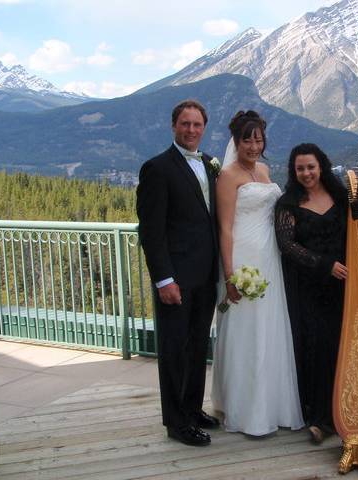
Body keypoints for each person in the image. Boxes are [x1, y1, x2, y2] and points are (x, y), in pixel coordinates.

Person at [211, 110, 304, 436]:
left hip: (270, 258)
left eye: (258, 139)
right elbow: (224, 228)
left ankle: (271, 405)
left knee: (270, 329)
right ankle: (244, 410)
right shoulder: (228, 176)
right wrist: (230, 272)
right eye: (247, 139)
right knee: (245, 333)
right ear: (236, 142)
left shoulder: (264, 170)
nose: (253, 145)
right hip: (243, 258)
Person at [136, 99, 220, 447]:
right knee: (173, 350)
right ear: (173, 126)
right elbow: (151, 231)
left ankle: (192, 408)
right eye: (184, 124)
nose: (190, 130)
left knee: (198, 346)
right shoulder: (157, 168)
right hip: (177, 278)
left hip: (205, 275)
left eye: (197, 124)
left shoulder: (210, 165)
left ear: (204, 128)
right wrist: (164, 279)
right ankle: (176, 422)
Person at [274, 143, 348, 444]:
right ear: (294, 171)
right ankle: (320, 417)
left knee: (341, 347)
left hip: (344, 285)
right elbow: (286, 245)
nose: (306, 173)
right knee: (317, 349)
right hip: (308, 287)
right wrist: (324, 265)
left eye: (311, 167)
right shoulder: (288, 203)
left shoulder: (340, 196)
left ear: (322, 167)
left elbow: (357, 231)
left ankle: (347, 410)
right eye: (300, 168)